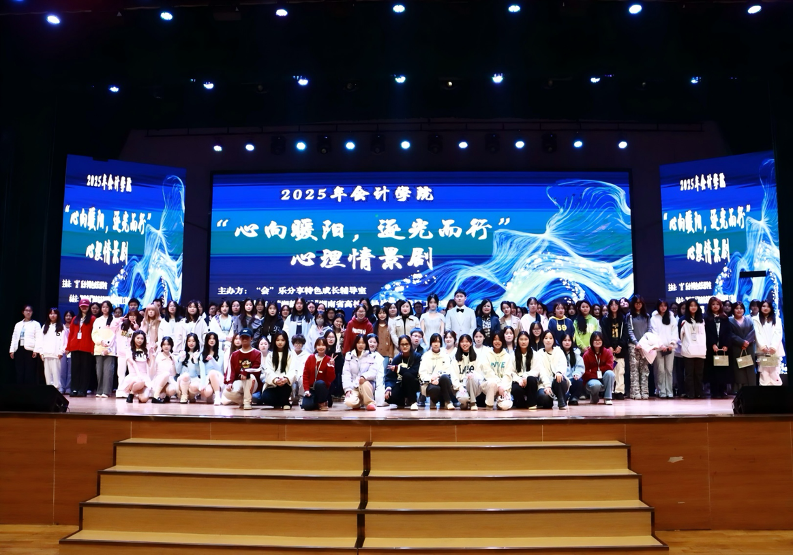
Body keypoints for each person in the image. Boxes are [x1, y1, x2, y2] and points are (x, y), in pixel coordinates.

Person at [221, 328, 261, 410]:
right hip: (239, 381)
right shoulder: (234, 354)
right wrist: (229, 382)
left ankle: (247, 402)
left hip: (253, 382)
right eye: (242, 337)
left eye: (247, 337)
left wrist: (246, 372)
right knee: (226, 392)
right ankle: (244, 401)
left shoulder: (257, 353)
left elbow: (257, 369)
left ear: (251, 338)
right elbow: (230, 370)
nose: (244, 339)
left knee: (250, 377)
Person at [530, 330, 569, 410]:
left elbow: (563, 364)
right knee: (544, 397)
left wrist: (559, 372)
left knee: (559, 379)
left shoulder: (558, 351)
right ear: (542, 340)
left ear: (554, 340)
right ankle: (549, 401)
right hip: (544, 384)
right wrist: (547, 385)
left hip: (557, 382)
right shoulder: (538, 354)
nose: (548, 340)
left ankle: (561, 402)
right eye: (546, 338)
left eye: (550, 338)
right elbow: (541, 371)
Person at [650, 299, 679, 399]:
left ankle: (669, 391)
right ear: (658, 306)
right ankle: (661, 391)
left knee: (669, 370)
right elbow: (654, 333)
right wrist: (661, 345)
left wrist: (672, 343)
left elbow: (674, 331)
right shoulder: (654, 318)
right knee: (660, 370)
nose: (663, 308)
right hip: (659, 348)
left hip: (670, 347)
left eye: (665, 306)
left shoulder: (671, 317)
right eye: (661, 305)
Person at [66, 299, 96, 397]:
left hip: (86, 347)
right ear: (79, 307)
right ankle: (74, 389)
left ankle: (82, 390)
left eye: (86, 306)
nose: (84, 308)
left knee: (85, 369)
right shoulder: (75, 318)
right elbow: (71, 334)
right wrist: (68, 347)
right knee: (75, 369)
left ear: (89, 307)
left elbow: (94, 334)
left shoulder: (92, 319)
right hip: (75, 346)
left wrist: (92, 348)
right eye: (82, 306)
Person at [420, 333, 456, 410]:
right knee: (435, 389)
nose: (436, 344)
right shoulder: (426, 356)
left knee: (444, 378)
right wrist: (431, 379)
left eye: (438, 342)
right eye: (434, 342)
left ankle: (447, 402)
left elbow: (448, 370)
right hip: (429, 383)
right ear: (431, 343)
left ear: (441, 343)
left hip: (442, 380)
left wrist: (438, 377)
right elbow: (422, 373)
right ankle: (434, 401)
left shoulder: (445, 355)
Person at [601, 299, 628, 400]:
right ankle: (610, 390)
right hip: (609, 349)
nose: (614, 307)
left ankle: (619, 391)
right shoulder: (605, 319)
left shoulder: (623, 318)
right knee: (610, 370)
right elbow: (604, 334)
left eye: (616, 305)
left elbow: (625, 333)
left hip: (620, 349)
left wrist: (620, 346)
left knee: (620, 370)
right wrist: (609, 346)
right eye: (612, 305)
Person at [385, 335, 421, 410]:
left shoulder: (417, 356)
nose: (404, 346)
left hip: (414, 383)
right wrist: (388, 388)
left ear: (410, 344)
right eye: (402, 344)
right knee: (389, 397)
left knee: (407, 375)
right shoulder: (396, 359)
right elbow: (389, 377)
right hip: (400, 384)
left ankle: (413, 401)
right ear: (399, 346)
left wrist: (398, 369)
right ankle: (402, 400)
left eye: (406, 344)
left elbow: (414, 372)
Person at [680, 299, 707, 399]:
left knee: (699, 374)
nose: (693, 307)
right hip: (688, 351)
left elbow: (704, 335)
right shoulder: (683, 320)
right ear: (688, 307)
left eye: (695, 305)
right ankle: (690, 393)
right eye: (691, 305)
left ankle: (699, 392)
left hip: (700, 350)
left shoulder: (702, 320)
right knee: (689, 374)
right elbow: (680, 336)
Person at [705, 297, 732, 398]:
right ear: (710, 306)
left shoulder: (725, 318)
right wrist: (712, 344)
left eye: (717, 304)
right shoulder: (706, 318)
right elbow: (707, 333)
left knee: (723, 369)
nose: (715, 306)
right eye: (713, 304)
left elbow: (728, 333)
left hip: (723, 348)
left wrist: (726, 345)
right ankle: (714, 391)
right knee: (713, 370)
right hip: (711, 348)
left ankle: (722, 390)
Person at [259, 330, 293, 409]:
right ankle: (282, 402)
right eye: (278, 340)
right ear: (274, 341)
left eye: (282, 340)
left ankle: (285, 402)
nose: (280, 342)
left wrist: (285, 379)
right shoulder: (270, 355)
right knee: (265, 397)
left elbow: (293, 370)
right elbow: (268, 371)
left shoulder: (290, 354)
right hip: (273, 384)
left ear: (286, 341)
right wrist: (276, 380)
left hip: (285, 384)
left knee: (285, 389)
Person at [753, 300, 785, 386]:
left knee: (775, 371)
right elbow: (757, 334)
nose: (766, 308)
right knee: (764, 371)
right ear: (760, 307)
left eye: (768, 306)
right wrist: (763, 346)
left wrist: (773, 347)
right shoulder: (755, 319)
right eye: (764, 306)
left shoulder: (777, 319)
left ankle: (776, 387)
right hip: (762, 350)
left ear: (771, 308)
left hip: (774, 350)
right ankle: (764, 388)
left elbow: (778, 333)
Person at [342, 334, 377, 410]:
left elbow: (373, 372)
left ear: (366, 344)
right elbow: (346, 373)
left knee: (364, 383)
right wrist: (347, 389)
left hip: (366, 385)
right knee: (348, 402)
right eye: (358, 343)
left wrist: (364, 377)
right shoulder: (349, 356)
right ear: (355, 344)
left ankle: (370, 403)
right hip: (354, 386)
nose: (360, 345)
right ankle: (360, 401)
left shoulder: (371, 356)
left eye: (363, 343)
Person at [627, 295, 651, 400]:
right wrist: (636, 343)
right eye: (636, 303)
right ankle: (635, 392)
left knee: (644, 370)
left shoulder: (647, 316)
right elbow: (629, 330)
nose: (638, 305)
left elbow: (649, 329)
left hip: (645, 346)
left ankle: (645, 391)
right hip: (633, 346)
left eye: (640, 303)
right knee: (634, 370)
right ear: (633, 304)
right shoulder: (629, 316)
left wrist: (644, 342)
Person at [36, 308, 67, 390]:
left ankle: (57, 389)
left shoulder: (61, 326)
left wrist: (61, 352)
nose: (52, 315)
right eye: (51, 314)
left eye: (54, 313)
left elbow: (64, 341)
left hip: (56, 354)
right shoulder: (45, 326)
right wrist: (41, 352)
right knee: (47, 374)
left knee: (56, 374)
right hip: (46, 354)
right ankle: (49, 390)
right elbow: (40, 340)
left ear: (57, 315)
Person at [92, 301, 118, 398]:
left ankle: (106, 391)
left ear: (110, 308)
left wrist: (108, 345)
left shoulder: (115, 320)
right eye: (103, 307)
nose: (105, 309)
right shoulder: (97, 320)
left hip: (110, 349)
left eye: (107, 307)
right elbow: (94, 334)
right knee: (99, 372)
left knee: (108, 371)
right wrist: (100, 341)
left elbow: (116, 335)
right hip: (99, 348)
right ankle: (99, 390)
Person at [9, 304, 40, 385]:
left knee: (29, 371)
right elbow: (14, 337)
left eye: (30, 311)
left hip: (30, 350)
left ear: (32, 312)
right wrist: (12, 350)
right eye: (26, 310)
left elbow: (38, 338)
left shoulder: (36, 324)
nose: (28, 312)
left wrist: (36, 350)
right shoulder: (18, 324)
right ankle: (20, 388)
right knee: (19, 370)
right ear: (23, 312)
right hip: (19, 349)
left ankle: (28, 389)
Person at [729, 301, 756, 392]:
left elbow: (753, 332)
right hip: (736, 347)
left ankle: (751, 388)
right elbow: (730, 334)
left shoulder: (749, 319)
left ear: (744, 310)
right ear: (733, 310)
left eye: (741, 308)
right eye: (736, 308)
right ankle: (739, 389)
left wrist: (746, 342)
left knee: (750, 368)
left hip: (749, 347)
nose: (739, 310)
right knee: (738, 369)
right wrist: (741, 342)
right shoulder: (729, 320)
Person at [302, 338, 336, 411]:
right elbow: (305, 375)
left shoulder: (329, 359)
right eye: (319, 345)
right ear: (315, 346)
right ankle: (317, 403)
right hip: (311, 389)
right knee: (306, 406)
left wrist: (330, 366)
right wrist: (306, 390)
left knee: (319, 383)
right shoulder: (310, 358)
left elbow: (331, 379)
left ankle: (322, 401)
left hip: (322, 389)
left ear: (326, 347)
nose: (321, 347)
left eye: (323, 345)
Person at [483, 332, 514, 410]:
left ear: (502, 341)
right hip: (490, 385)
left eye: (499, 340)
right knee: (492, 383)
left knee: (505, 406)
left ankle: (499, 402)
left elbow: (508, 375)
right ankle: (489, 405)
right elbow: (488, 373)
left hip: (504, 387)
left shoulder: (507, 356)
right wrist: (499, 385)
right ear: (492, 341)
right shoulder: (486, 354)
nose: (497, 342)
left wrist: (503, 388)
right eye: (495, 339)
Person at [582, 332, 615, 405]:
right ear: (591, 341)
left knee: (610, 373)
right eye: (595, 340)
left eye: (599, 340)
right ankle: (594, 397)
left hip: (603, 377)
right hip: (591, 379)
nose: (597, 342)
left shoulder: (607, 352)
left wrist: (594, 370)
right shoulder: (586, 354)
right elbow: (584, 371)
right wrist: (596, 374)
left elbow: (609, 367)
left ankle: (607, 398)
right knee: (595, 385)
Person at [452, 334, 484, 410]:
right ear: (459, 343)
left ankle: (473, 402)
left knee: (471, 377)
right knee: (463, 398)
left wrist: (473, 374)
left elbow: (480, 375)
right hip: (461, 386)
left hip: (474, 385)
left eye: (467, 341)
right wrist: (460, 387)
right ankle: (464, 403)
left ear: (471, 343)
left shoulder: (476, 358)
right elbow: (454, 376)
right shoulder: (455, 359)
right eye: (462, 342)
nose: (464, 344)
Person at [120, 330, 151, 403]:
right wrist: (139, 376)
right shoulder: (129, 350)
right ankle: (131, 393)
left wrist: (152, 354)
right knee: (141, 381)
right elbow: (133, 363)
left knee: (144, 399)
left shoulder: (145, 350)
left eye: (142, 338)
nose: (140, 340)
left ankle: (136, 393)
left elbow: (150, 365)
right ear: (133, 338)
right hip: (134, 376)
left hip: (144, 376)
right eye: (138, 338)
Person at [511, 331, 537, 409]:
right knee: (515, 389)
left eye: (525, 339)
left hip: (529, 380)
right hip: (518, 381)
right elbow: (511, 372)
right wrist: (519, 380)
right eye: (521, 339)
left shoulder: (534, 354)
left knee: (531, 379)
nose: (523, 342)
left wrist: (525, 376)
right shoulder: (513, 355)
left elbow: (536, 370)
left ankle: (531, 403)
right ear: (517, 341)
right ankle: (521, 403)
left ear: (529, 340)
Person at [150, 337, 178, 403]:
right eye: (164, 344)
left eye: (168, 344)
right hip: (159, 380)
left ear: (171, 346)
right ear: (161, 346)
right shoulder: (158, 356)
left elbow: (174, 374)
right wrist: (153, 360)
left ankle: (166, 396)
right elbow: (152, 372)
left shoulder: (172, 357)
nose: (166, 346)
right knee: (166, 374)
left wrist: (173, 363)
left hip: (169, 381)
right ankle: (156, 396)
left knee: (172, 390)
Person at [199, 332, 225, 405]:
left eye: (214, 339)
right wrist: (203, 383)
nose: (212, 340)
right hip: (207, 378)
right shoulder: (202, 354)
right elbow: (202, 370)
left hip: (218, 376)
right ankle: (213, 393)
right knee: (207, 392)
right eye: (210, 339)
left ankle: (217, 397)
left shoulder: (220, 352)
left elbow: (218, 367)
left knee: (212, 372)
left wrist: (212, 359)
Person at [560, 333, 585, 405]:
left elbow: (580, 367)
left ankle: (574, 397)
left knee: (579, 380)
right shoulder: (557, 353)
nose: (567, 342)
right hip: (561, 379)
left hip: (572, 379)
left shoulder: (576, 353)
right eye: (565, 340)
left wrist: (577, 374)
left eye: (569, 340)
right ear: (561, 342)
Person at [176, 333, 202, 404]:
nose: (191, 343)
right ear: (186, 342)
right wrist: (181, 360)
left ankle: (191, 396)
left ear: (196, 342)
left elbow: (199, 373)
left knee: (196, 385)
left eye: (193, 341)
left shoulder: (199, 355)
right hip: (183, 381)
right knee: (185, 376)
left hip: (194, 380)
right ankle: (184, 395)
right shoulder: (182, 354)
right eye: (189, 341)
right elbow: (177, 371)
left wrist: (196, 361)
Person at [288, 334, 310, 404]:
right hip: (291, 373)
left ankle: (301, 396)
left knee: (303, 379)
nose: (298, 345)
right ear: (293, 344)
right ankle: (290, 395)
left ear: (303, 344)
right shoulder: (289, 353)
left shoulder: (307, 355)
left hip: (302, 374)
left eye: (300, 343)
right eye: (296, 343)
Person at [60, 310, 75, 394]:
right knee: (62, 370)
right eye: (67, 316)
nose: (68, 317)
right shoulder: (61, 327)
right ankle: (62, 387)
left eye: (70, 316)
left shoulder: (75, 326)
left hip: (72, 350)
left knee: (70, 371)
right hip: (62, 351)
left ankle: (68, 388)